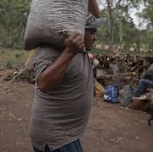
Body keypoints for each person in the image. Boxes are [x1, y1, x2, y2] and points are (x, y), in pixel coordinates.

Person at [29, 13, 106, 152]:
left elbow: (95, 13)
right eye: (92, 32)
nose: (95, 38)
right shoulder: (51, 51)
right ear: (79, 32)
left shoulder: (81, 50)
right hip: (55, 137)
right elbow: (43, 84)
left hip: (68, 134)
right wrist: (69, 53)